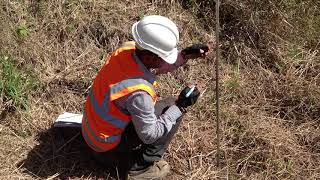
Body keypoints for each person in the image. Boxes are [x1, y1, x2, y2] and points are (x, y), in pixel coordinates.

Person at [81, 15, 209, 179]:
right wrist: (180, 106)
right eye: (164, 56)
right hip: (105, 150)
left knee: (166, 108)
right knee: (171, 107)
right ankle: (139, 168)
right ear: (149, 57)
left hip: (92, 133)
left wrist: (184, 55)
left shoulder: (126, 51)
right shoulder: (138, 93)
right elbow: (149, 135)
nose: (165, 61)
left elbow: (155, 66)